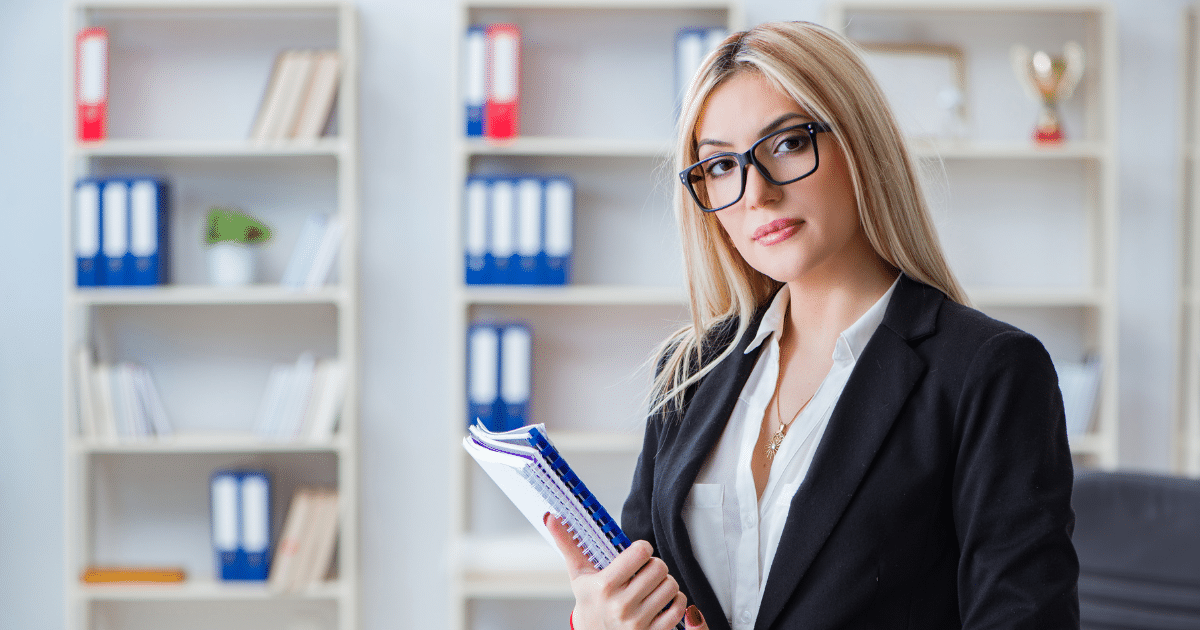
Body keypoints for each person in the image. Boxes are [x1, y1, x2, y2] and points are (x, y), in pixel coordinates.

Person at [545, 20, 1079, 630]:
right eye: (720, 165)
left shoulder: (987, 372)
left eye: (789, 144)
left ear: (859, 143)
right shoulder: (694, 369)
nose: (756, 194)